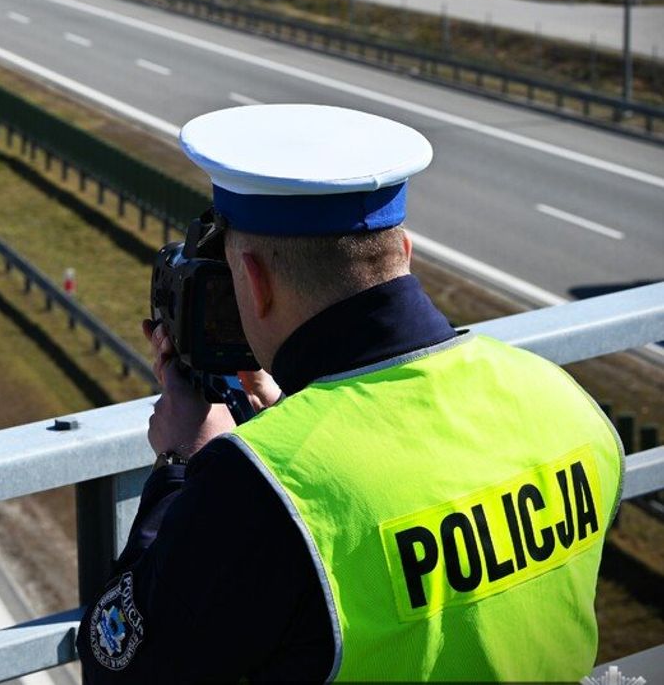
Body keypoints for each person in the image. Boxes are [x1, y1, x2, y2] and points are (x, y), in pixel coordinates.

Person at [78, 104, 624, 682]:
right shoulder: (563, 398)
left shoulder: (258, 487)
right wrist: (293, 420)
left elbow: (118, 665)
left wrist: (181, 465)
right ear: (404, 252)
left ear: (255, 283)